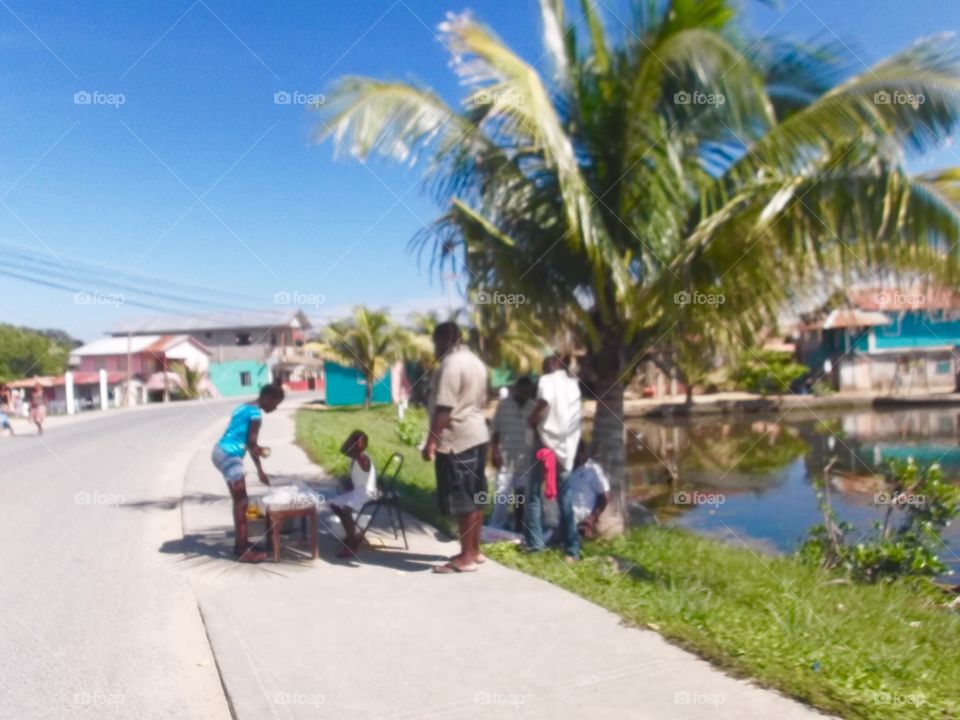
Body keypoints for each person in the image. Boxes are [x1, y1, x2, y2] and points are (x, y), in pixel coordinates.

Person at [423, 321, 490, 574]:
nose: (434, 347)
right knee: (476, 496)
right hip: (478, 434)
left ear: (444, 339)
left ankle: (466, 558)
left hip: (458, 440)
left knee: (463, 499)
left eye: (436, 342)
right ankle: (475, 551)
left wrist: (431, 441)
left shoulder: (450, 365)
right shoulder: (474, 361)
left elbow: (445, 408)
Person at [211, 383, 285, 562]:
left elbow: (244, 439)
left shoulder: (243, 407)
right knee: (242, 502)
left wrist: (256, 450)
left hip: (221, 451)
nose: (275, 408)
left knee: (240, 501)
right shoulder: (255, 414)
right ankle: (242, 551)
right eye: (275, 403)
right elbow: (251, 444)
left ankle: (241, 544)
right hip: (229, 456)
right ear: (268, 398)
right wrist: (260, 470)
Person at [526, 354, 582, 561]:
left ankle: (535, 546)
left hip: (545, 444)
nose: (544, 367)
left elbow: (545, 399)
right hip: (566, 448)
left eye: (545, 364)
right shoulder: (573, 384)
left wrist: (533, 416)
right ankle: (572, 550)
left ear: (555, 365)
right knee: (565, 498)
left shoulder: (547, 380)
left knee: (532, 495)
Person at [488, 376, 535, 531]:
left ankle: (519, 529)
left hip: (525, 460)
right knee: (502, 497)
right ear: (516, 389)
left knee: (522, 499)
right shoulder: (504, 405)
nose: (525, 394)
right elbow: (495, 430)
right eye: (523, 391)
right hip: (505, 458)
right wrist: (494, 451)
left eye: (528, 392)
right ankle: (495, 528)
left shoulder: (533, 407)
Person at [328, 430, 378, 558]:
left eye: (356, 442)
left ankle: (351, 544)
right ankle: (353, 535)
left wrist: (353, 441)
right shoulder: (355, 456)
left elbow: (343, 450)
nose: (354, 444)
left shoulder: (361, 456)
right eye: (354, 441)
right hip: (358, 491)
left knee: (346, 510)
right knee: (334, 504)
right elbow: (344, 450)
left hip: (368, 492)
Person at [567, 442, 611, 539]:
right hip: (557, 519)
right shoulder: (563, 468)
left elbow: (605, 497)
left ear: (581, 452)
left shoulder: (592, 470)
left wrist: (591, 519)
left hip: (579, 522)